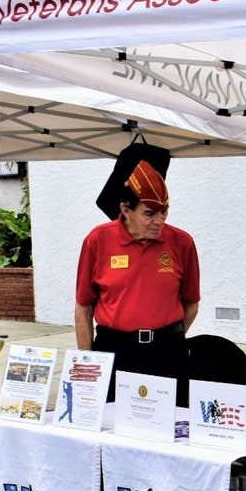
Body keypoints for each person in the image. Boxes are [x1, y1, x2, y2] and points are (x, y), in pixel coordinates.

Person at [73, 160, 200, 405]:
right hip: (114, 350)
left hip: (166, 352)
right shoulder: (98, 240)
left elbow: (191, 304)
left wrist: (165, 335)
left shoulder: (182, 243)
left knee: (170, 428)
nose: (159, 220)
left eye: (164, 211)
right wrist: (89, 363)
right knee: (110, 426)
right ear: (125, 209)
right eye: (149, 213)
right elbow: (83, 308)